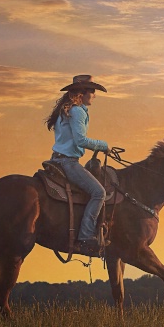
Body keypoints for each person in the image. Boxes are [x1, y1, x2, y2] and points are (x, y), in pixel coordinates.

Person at [45, 74, 109, 257]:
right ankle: (86, 235)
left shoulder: (66, 109)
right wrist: (103, 146)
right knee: (99, 193)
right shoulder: (77, 111)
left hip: (56, 159)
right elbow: (81, 140)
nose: (94, 95)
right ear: (83, 93)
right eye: (92, 91)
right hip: (68, 162)